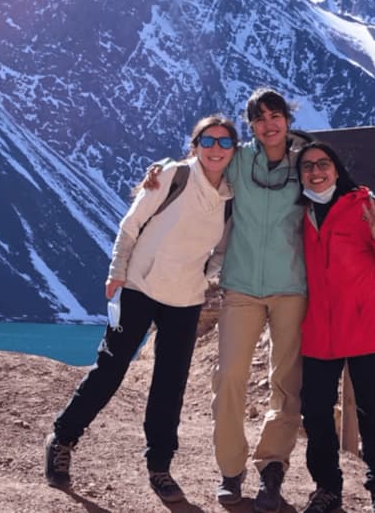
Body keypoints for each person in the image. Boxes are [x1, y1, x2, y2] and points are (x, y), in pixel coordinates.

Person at [44, 115, 238, 504]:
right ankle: (63, 438)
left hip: (186, 298)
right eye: (208, 140)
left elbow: (220, 251)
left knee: (170, 384)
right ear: (195, 144)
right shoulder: (172, 176)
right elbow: (131, 225)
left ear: (234, 150)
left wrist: (206, 276)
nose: (216, 148)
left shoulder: (232, 199)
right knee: (110, 368)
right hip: (140, 286)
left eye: (224, 142)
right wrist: (116, 272)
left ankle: (159, 466)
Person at [146, 88, 308, 513]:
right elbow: (203, 165)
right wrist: (162, 171)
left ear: (288, 120)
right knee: (229, 378)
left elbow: (337, 187)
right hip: (239, 287)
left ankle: (272, 468)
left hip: (293, 287)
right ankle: (231, 470)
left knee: (286, 383)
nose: (269, 124)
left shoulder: (306, 158)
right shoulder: (239, 158)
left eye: (276, 116)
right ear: (251, 125)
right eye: (260, 119)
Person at [293, 142, 375, 513]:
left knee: (374, 414)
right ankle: (327, 488)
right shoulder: (302, 211)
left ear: (336, 170)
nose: (316, 172)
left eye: (323, 164)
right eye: (307, 167)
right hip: (320, 332)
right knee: (316, 413)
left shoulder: (362, 206)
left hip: (367, 328)